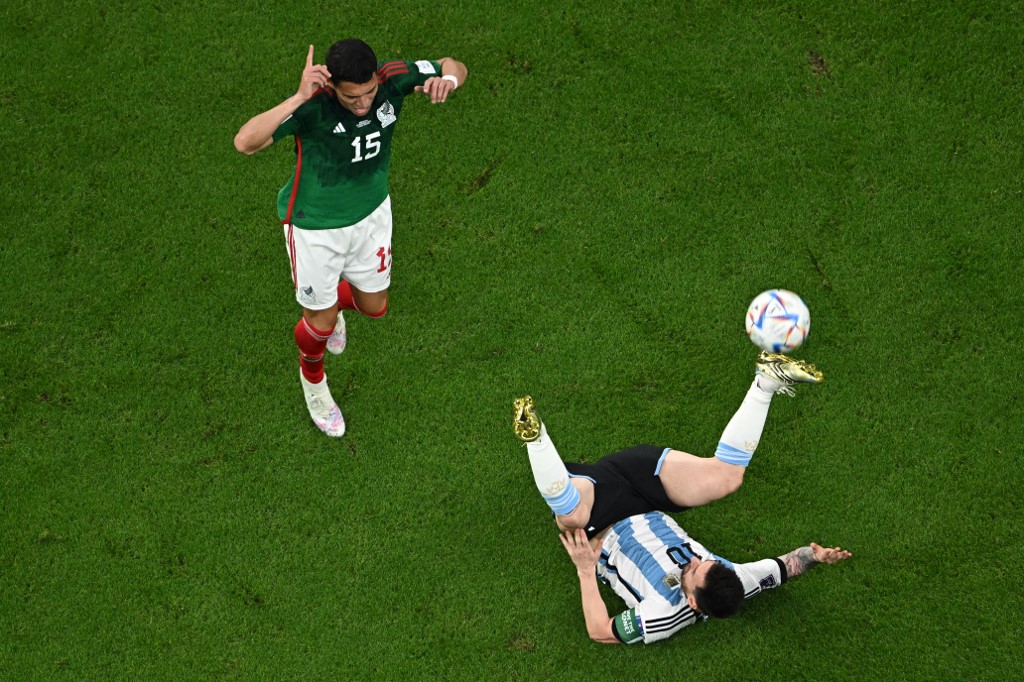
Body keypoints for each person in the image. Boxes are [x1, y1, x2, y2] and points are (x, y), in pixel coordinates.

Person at [234, 40, 468, 437]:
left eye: (368, 94)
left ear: (377, 78)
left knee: (374, 306)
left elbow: (454, 63)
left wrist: (447, 79)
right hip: (314, 228)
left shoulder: (393, 79)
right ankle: (315, 386)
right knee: (320, 323)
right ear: (333, 86)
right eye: (350, 97)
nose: (362, 104)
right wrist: (297, 97)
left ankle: (332, 305)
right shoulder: (313, 106)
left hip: (373, 217)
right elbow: (246, 142)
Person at [513, 351, 824, 538]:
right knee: (728, 479)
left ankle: (766, 380)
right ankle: (766, 384)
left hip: (625, 486)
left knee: (573, 521)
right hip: (621, 492)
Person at [558, 513, 851, 644]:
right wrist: (815, 557)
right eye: (707, 563)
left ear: (692, 602)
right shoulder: (735, 579)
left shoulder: (661, 615)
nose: (695, 560)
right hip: (646, 506)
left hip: (602, 533)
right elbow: (787, 566)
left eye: (694, 571)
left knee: (563, 505)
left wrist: (585, 569)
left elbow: (599, 631)